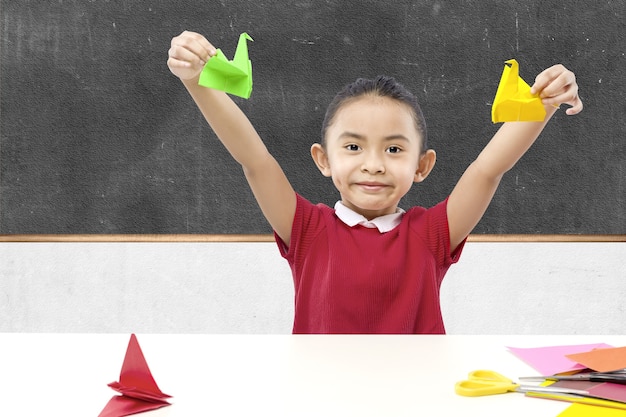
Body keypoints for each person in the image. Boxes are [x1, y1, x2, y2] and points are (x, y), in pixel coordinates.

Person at [167, 31, 583, 334]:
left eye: (394, 150)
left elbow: (488, 169)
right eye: (353, 148)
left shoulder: (432, 234)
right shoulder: (307, 229)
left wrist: (543, 104)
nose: (374, 165)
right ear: (323, 160)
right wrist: (195, 80)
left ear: (422, 166)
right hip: (320, 400)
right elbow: (255, 160)